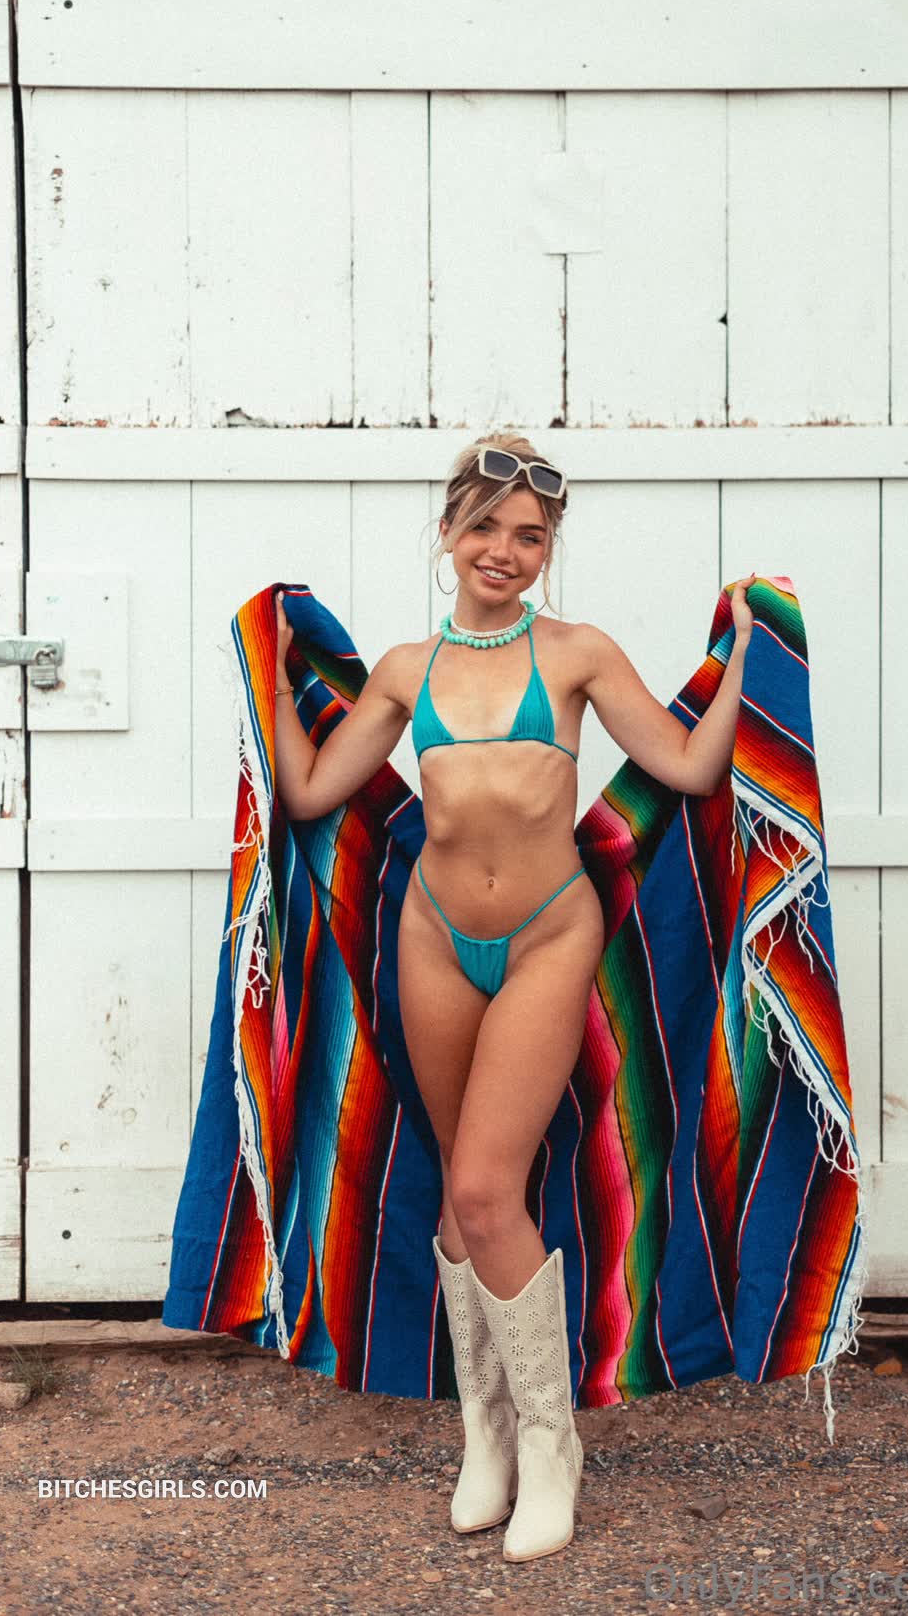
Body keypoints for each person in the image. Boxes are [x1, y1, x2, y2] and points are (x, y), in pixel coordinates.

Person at [269, 433, 754, 1563]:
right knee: (457, 1194)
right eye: (484, 526)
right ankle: (483, 1435)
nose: (504, 549)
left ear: (547, 550)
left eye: (528, 535)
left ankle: (551, 1442)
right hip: (433, 940)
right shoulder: (405, 671)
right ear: (447, 532)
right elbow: (311, 787)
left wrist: (748, 652)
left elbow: (687, 767)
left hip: (547, 935)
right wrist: (271, 666)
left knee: (490, 1190)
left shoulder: (576, 653)